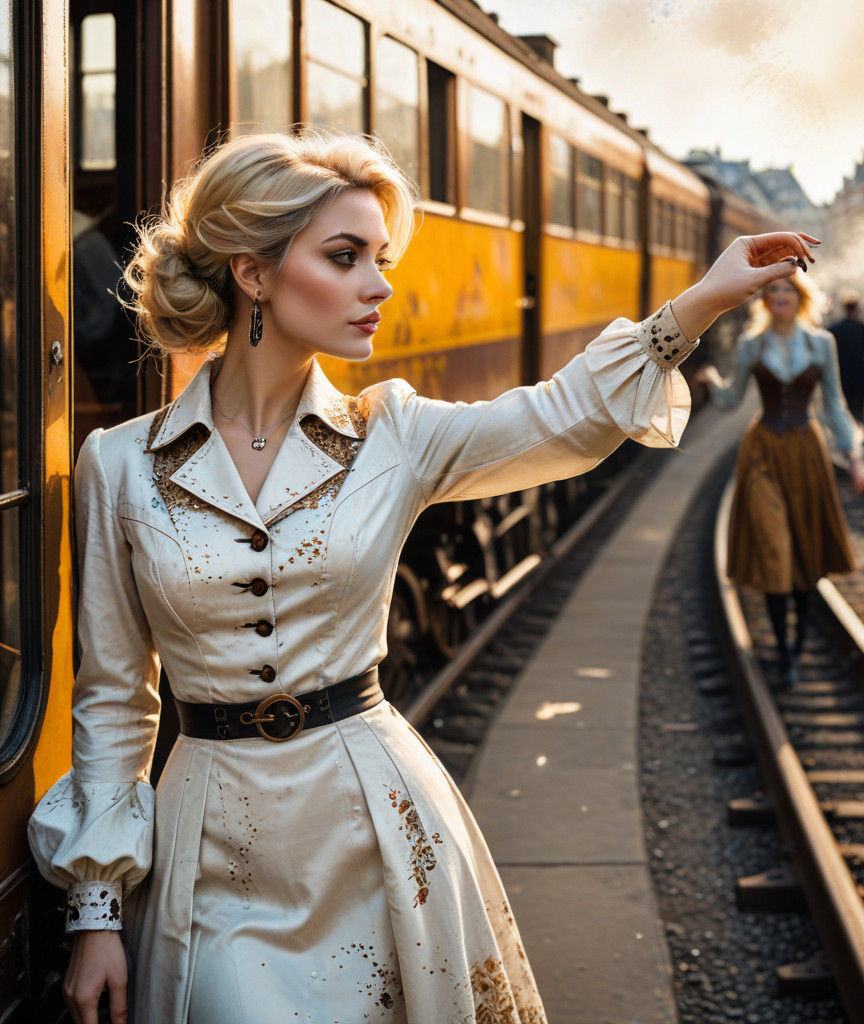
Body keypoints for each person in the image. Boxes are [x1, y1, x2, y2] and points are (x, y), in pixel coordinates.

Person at [26, 127, 818, 1024]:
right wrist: (96, 910)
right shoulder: (121, 464)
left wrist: (701, 303)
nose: (380, 285)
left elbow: (560, 421)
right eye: (345, 256)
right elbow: (113, 699)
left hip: (376, 827)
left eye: (381, 257)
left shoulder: (392, 436)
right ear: (253, 273)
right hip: (210, 845)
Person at [697, 272, 864, 686]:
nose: (780, 296)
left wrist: (854, 456)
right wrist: (710, 383)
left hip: (806, 452)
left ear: (801, 296)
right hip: (763, 454)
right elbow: (733, 399)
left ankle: (797, 645)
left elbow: (834, 404)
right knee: (775, 549)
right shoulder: (751, 345)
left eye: (787, 289)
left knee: (805, 556)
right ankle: (782, 650)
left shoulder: (821, 344)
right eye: (772, 290)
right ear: (765, 299)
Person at [827, 291, 864, 425]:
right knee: (859, 411)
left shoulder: (834, 329)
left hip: (841, 375)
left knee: (844, 409)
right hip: (860, 375)